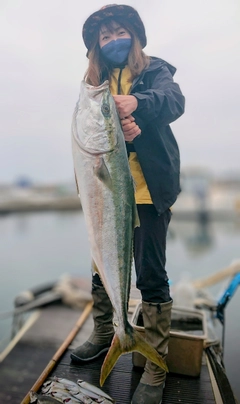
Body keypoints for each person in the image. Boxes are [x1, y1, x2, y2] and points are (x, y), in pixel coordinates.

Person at [70, 4, 185, 404]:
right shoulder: (97, 83)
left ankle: (155, 364)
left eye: (120, 32)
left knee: (151, 273)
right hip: (108, 194)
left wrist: (138, 106)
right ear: (96, 48)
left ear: (133, 35)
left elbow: (172, 101)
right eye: (105, 36)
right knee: (102, 266)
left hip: (148, 192)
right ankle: (107, 333)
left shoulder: (154, 70)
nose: (113, 40)